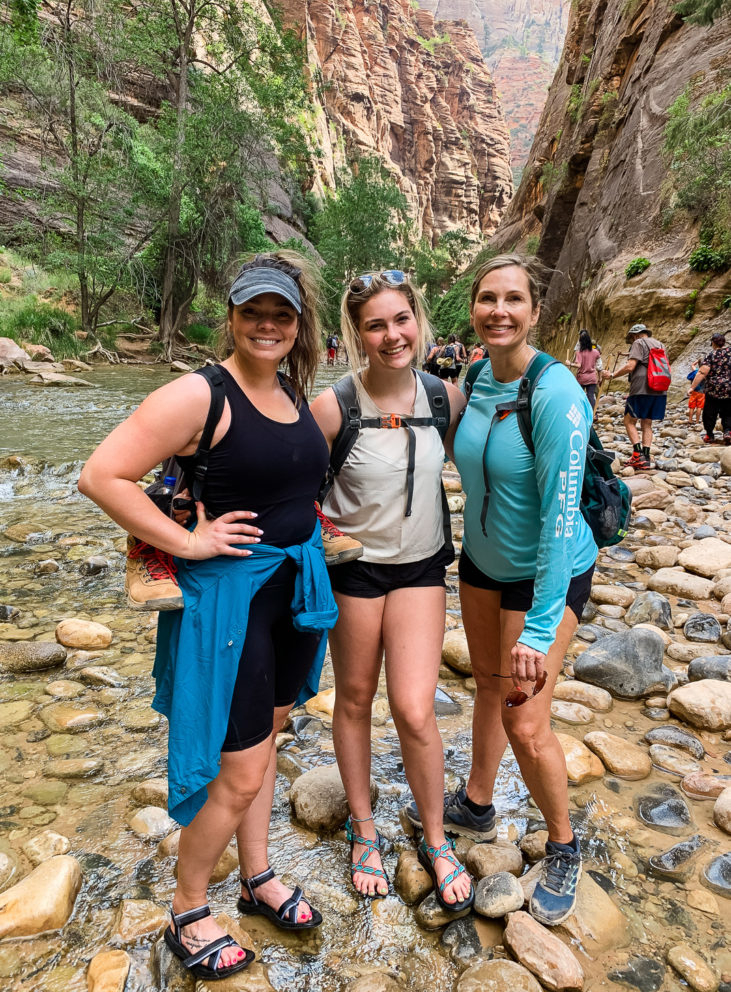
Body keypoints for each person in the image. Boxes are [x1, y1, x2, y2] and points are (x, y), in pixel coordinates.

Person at [78, 251, 337, 980]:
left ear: (296, 324)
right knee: (242, 769)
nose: (266, 324)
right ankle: (187, 910)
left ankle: (256, 879)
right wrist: (189, 540)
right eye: (253, 310)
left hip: (291, 592)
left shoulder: (290, 390)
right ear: (230, 315)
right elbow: (101, 474)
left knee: (265, 749)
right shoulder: (200, 395)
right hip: (232, 603)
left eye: (280, 313)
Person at [410, 253, 597, 926]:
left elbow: (558, 517)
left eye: (512, 299)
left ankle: (565, 844)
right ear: (474, 309)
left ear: (534, 311)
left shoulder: (556, 395)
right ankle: (477, 803)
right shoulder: (475, 377)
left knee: (525, 718)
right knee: (486, 684)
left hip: (547, 572)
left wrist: (543, 629)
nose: (498, 310)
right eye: (487, 298)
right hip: (482, 564)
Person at [310, 270, 474, 912]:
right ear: (357, 334)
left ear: (418, 320)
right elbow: (288, 478)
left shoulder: (446, 398)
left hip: (420, 568)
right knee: (352, 698)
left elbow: (486, 463)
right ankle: (364, 825)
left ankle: (435, 837)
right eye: (375, 324)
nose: (392, 334)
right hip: (353, 570)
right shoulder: (334, 407)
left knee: (413, 707)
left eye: (400, 319)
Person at [602, 323, 667, 469]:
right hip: (658, 386)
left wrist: (612, 375)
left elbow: (631, 366)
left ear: (635, 335)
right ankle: (646, 457)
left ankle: (637, 455)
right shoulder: (660, 344)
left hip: (641, 388)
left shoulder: (638, 342)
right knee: (647, 423)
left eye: (631, 339)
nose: (632, 342)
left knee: (629, 421)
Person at [689, 333, 731, 444]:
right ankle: (728, 431)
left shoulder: (711, 355)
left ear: (713, 342)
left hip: (713, 389)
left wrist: (692, 388)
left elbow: (702, 372)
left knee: (710, 412)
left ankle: (710, 435)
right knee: (728, 412)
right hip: (729, 389)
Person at [567, 329, 602, 408]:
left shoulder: (579, 352)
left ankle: (581, 413)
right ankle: (594, 414)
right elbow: (599, 366)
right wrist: (600, 378)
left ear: (580, 342)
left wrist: (570, 364)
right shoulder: (596, 352)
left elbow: (578, 365)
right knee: (590, 396)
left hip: (582, 378)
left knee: (579, 396)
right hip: (592, 378)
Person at [686, 360, 705, 426]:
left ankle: (690, 420)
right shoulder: (705, 373)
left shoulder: (696, 371)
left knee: (692, 407)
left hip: (693, 391)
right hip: (702, 392)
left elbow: (692, 365)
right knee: (699, 407)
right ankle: (697, 421)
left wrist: (698, 360)